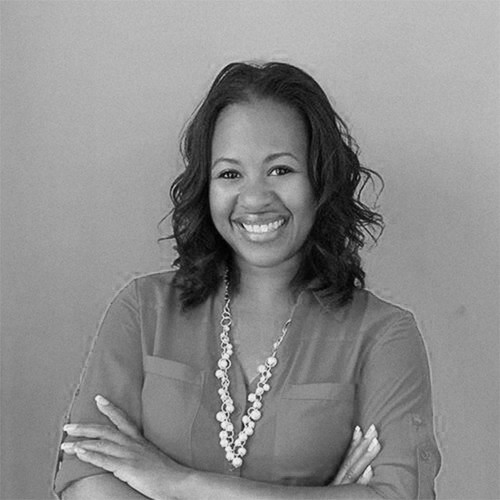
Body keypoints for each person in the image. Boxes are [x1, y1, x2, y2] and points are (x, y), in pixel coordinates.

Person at [53, 61, 441, 499]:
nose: (255, 198)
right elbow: (84, 481)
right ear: (206, 186)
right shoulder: (143, 310)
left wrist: (176, 482)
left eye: (281, 170)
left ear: (321, 180)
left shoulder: (385, 335)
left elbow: (397, 496)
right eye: (230, 174)